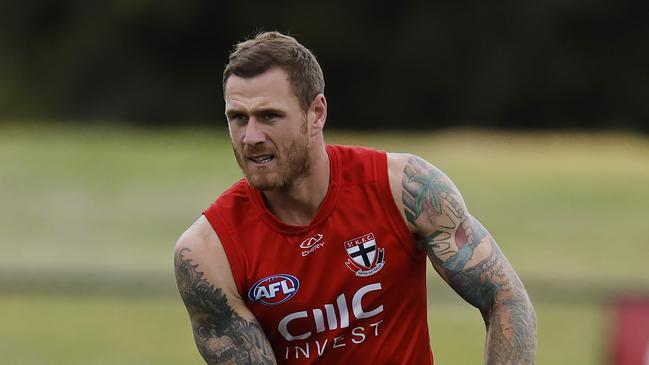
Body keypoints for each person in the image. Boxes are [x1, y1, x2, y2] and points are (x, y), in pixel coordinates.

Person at [174, 31, 537, 365]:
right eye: (238, 118)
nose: (251, 137)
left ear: (316, 113)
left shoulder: (405, 188)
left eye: (269, 116)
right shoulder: (208, 253)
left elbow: (505, 299)